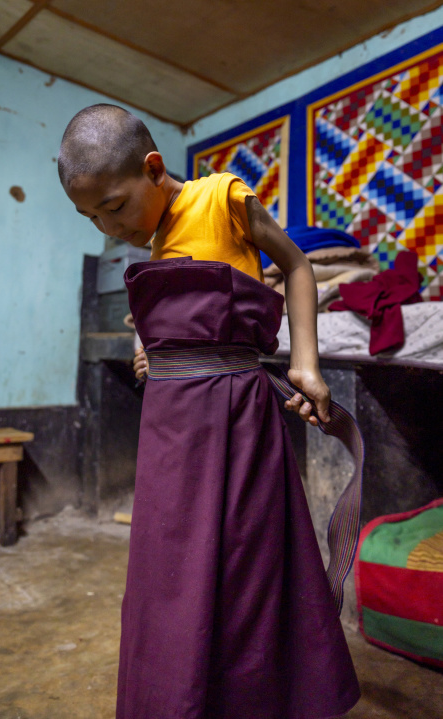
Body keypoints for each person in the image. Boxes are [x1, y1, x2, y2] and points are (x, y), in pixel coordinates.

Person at [58, 104, 360, 719]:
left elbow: (297, 266)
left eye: (113, 206)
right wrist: (147, 351)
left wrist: (306, 361)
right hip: (171, 429)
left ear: (153, 167)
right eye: (90, 218)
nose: (105, 227)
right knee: (169, 572)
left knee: (245, 563)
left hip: (237, 416)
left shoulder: (220, 198)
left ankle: (251, 698)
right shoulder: (154, 247)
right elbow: (166, 324)